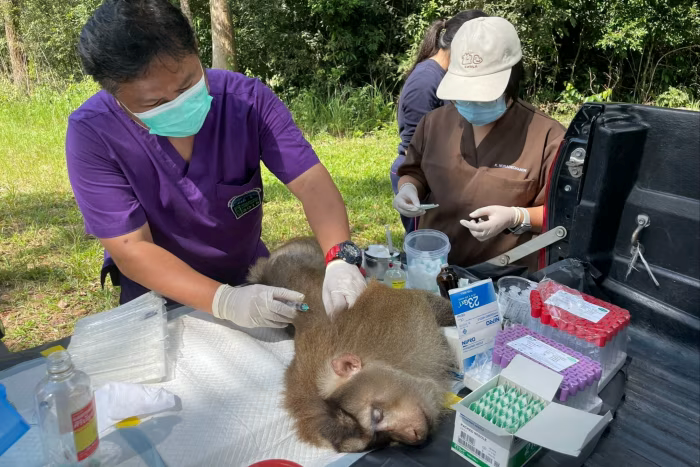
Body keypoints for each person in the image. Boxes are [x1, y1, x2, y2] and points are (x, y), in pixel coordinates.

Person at [67, 0, 366, 329]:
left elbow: (312, 184)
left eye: (186, 86)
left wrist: (340, 258)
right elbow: (131, 248)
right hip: (158, 300)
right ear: (116, 96)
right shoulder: (94, 134)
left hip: (247, 279)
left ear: (196, 49)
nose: (178, 104)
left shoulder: (247, 101)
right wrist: (223, 301)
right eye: (154, 102)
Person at [393, 16, 566, 270]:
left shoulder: (548, 137)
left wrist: (517, 216)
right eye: (464, 92)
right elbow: (414, 171)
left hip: (504, 276)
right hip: (434, 269)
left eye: (482, 94)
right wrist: (408, 189)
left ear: (512, 80)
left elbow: (563, 215)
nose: (470, 103)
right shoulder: (435, 123)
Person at [391, 10, 487, 233]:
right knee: (424, 244)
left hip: (439, 174)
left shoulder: (446, 75)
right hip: (418, 177)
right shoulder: (425, 81)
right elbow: (413, 147)